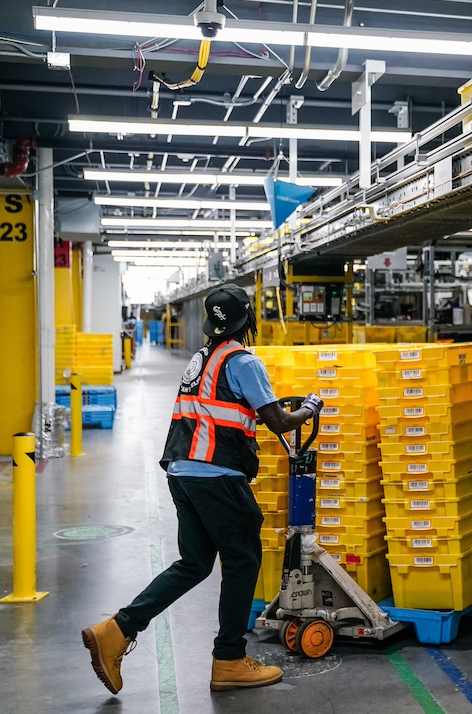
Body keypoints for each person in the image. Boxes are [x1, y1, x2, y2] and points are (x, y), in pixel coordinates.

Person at [82, 283, 323, 694]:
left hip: (182, 471)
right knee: (244, 558)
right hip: (217, 474)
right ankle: (229, 659)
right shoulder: (243, 361)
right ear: (248, 320)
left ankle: (116, 630)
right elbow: (278, 422)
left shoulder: (202, 358)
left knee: (194, 564)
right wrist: (309, 408)